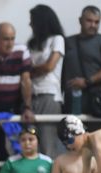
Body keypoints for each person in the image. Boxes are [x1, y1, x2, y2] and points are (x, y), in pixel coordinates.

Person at [62, 6, 101, 116]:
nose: (93, 25)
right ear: (80, 20)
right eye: (89, 21)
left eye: (97, 22)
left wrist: (86, 82)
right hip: (72, 102)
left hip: (98, 102)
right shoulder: (67, 42)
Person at [27, 4, 66, 158]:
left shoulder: (57, 39)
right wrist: (33, 71)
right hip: (31, 95)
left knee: (47, 143)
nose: (30, 24)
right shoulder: (32, 44)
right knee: (30, 142)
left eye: (32, 21)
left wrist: (31, 71)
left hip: (49, 95)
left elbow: (50, 66)